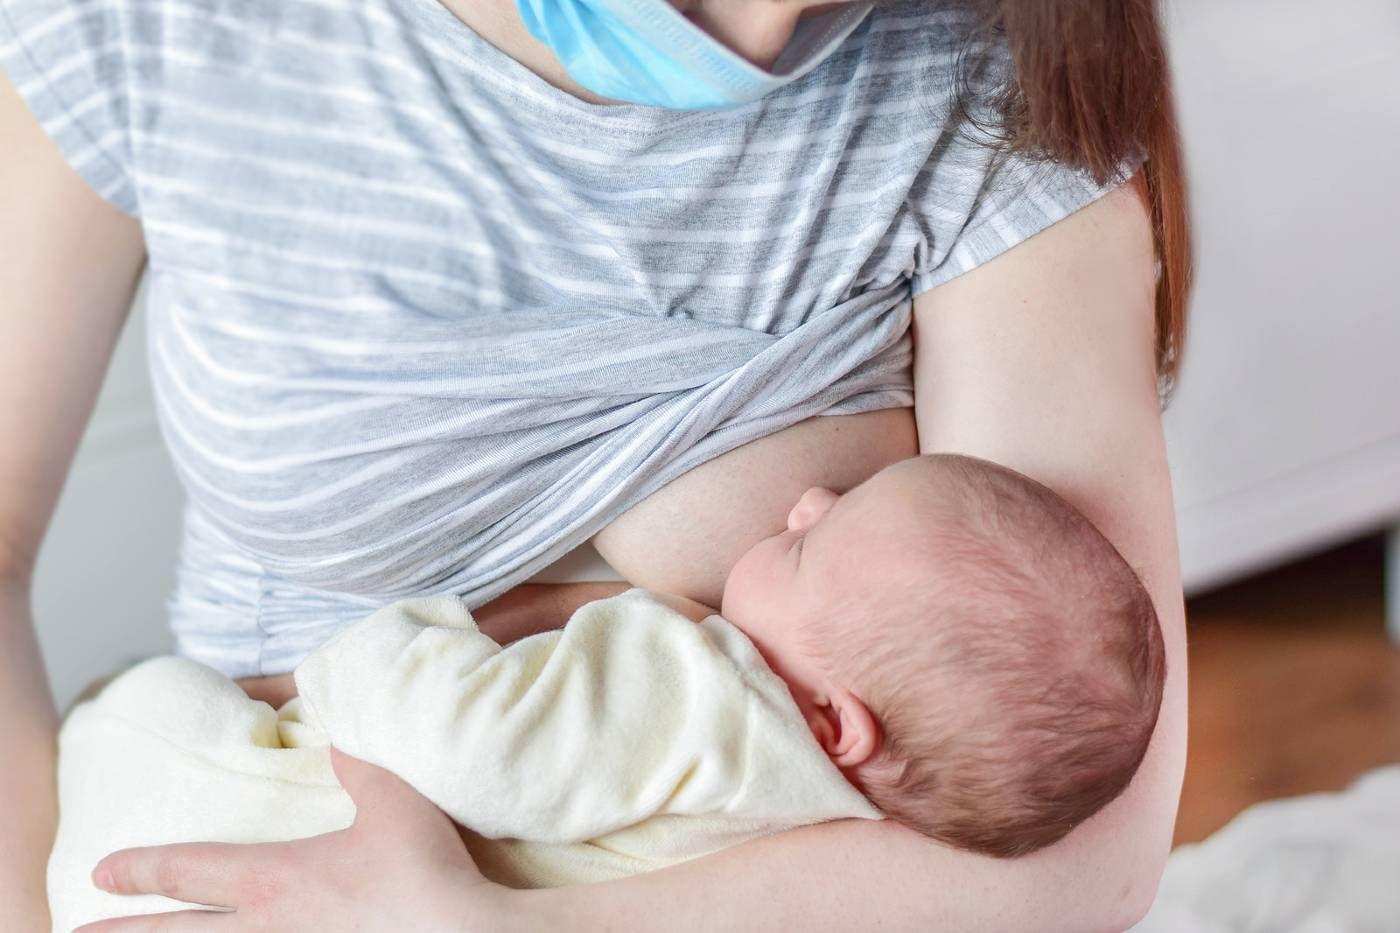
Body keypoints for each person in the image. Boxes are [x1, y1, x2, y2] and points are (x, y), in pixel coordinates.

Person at [0, 0, 1192, 929]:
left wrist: (504, 925)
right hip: (249, 816)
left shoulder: (997, 79)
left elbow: (1092, 842)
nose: (761, 35)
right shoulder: (167, 30)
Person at [48, 454, 1165, 929]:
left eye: (820, 543)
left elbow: (473, 747)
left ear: (831, 719)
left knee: (146, 711)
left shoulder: (710, 698)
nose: (809, 500)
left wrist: (361, 656)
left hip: (224, 830)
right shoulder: (819, 818)